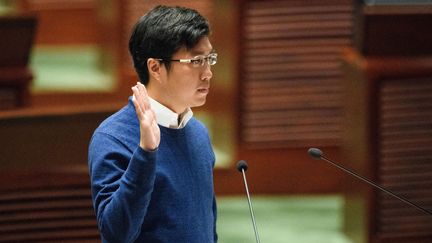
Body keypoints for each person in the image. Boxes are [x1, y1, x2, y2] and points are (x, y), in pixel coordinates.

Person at [88, 5, 218, 242]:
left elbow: (207, 227)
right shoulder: (113, 137)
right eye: (197, 61)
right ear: (155, 67)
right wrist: (146, 153)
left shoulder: (198, 133)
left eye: (209, 59)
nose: (208, 73)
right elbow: (116, 234)